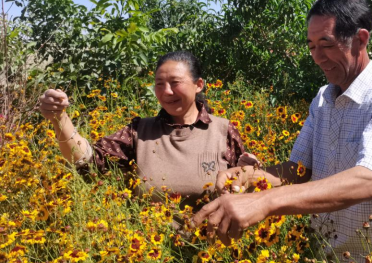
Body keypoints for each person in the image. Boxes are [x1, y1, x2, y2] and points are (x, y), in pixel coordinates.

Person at [192, 0, 372, 263]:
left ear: (360, 39)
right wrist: (251, 177)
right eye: (312, 46)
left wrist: (263, 202)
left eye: (326, 45)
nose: (317, 57)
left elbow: (367, 181)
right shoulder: (323, 99)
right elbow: (298, 169)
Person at [38, 51, 245, 214]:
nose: (166, 92)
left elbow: (247, 184)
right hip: (149, 258)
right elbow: (88, 160)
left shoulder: (223, 131)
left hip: (215, 255)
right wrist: (60, 118)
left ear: (198, 85)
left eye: (175, 83)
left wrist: (248, 173)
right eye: (159, 84)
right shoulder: (139, 132)